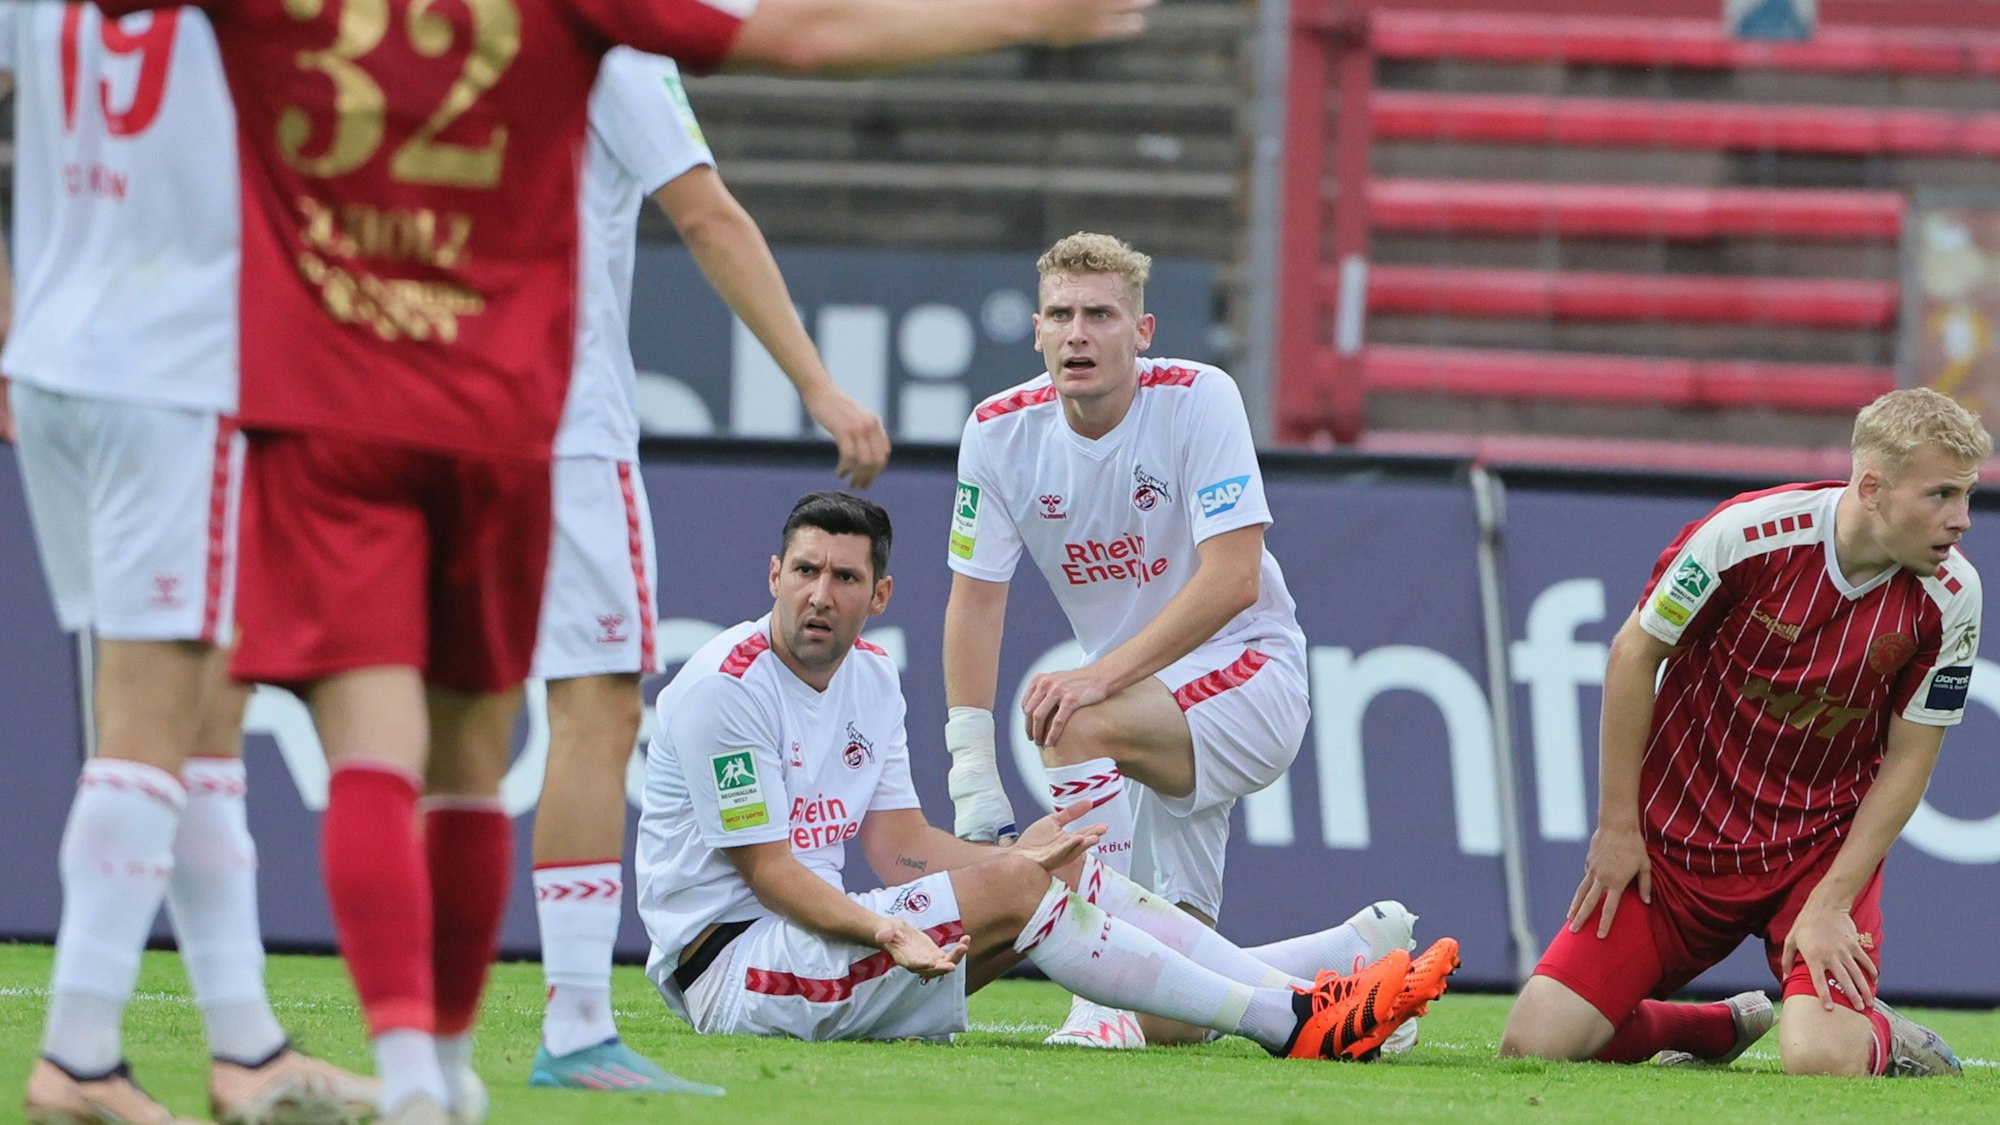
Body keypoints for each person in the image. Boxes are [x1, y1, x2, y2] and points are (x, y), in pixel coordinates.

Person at [62, 2, 1153, 1121]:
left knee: (307, 735)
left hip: (305, 405)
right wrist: (1030, 15)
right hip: (513, 425)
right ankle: (457, 1059)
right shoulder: (579, 17)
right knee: (489, 747)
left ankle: (206, 1042)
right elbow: (790, 54)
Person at [635, 491, 1460, 1055]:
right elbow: (772, 872)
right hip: (735, 971)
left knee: (1061, 864)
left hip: (820, 944)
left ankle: (1321, 977)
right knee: (1027, 888)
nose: (821, 593)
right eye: (805, 570)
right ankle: (1293, 1014)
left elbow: (898, 846)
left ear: (878, 592)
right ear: (772, 575)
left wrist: (1016, 861)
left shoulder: (873, 676)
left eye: (845, 576)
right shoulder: (724, 687)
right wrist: (887, 926)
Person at [0, 8, 373, 1121]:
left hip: (59, 368)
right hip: (180, 377)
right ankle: (78, 1053)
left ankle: (247, 1045)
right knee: (151, 724)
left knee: (207, 709)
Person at [526, 47, 888, 1095]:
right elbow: (712, 205)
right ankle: (576, 1029)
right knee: (592, 716)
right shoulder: (611, 48)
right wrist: (818, 387)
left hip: (421, 407)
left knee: (429, 720)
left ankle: (406, 1037)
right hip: (560, 427)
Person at [940, 231, 1388, 1049]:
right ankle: (1336, 971)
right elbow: (974, 600)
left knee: (1069, 718)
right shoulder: (998, 431)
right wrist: (971, 767)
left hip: (1249, 674)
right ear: (1036, 329)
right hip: (1142, 712)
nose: (1079, 333)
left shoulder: (1197, 397)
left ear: (1141, 333)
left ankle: (1093, 1003)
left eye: (1102, 314)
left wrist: (1097, 678)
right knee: (1176, 1010)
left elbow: (1233, 578)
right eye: (1062, 315)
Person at [1499, 387, 1987, 1079]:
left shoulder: (1954, 594)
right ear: (1872, 486)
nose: (1962, 519)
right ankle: (1714, 1026)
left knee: (1818, 1059)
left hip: (1816, 851)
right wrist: (1616, 826)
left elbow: (1911, 759)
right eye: (1941, 495)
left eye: (1967, 495)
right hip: (1677, 845)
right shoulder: (1746, 534)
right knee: (1535, 1040)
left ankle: (1888, 1038)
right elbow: (1634, 654)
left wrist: (1831, 899)